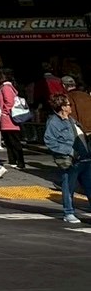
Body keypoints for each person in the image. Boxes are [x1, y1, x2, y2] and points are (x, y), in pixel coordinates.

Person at [45, 94, 91, 224]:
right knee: (68, 187)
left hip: (85, 159)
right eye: (68, 104)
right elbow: (50, 141)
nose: (71, 106)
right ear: (62, 107)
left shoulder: (71, 120)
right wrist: (69, 152)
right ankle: (68, 212)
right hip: (72, 161)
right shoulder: (54, 122)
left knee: (89, 186)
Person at [0, 70, 27, 172]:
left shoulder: (5, 88)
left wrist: (4, 112)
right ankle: (13, 161)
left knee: (13, 141)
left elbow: (9, 102)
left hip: (8, 119)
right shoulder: (10, 88)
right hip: (10, 119)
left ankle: (19, 162)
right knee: (10, 141)